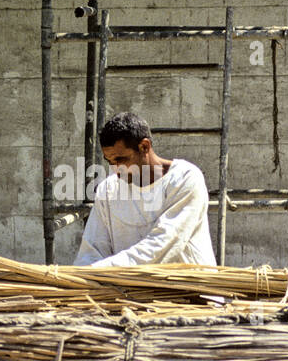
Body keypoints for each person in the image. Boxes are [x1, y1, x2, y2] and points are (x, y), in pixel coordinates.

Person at [73, 112, 216, 267]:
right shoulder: (108, 190)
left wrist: (100, 269)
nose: (115, 169)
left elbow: (162, 245)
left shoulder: (185, 178)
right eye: (110, 162)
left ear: (144, 147)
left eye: (120, 160)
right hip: (130, 290)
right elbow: (91, 252)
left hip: (189, 288)